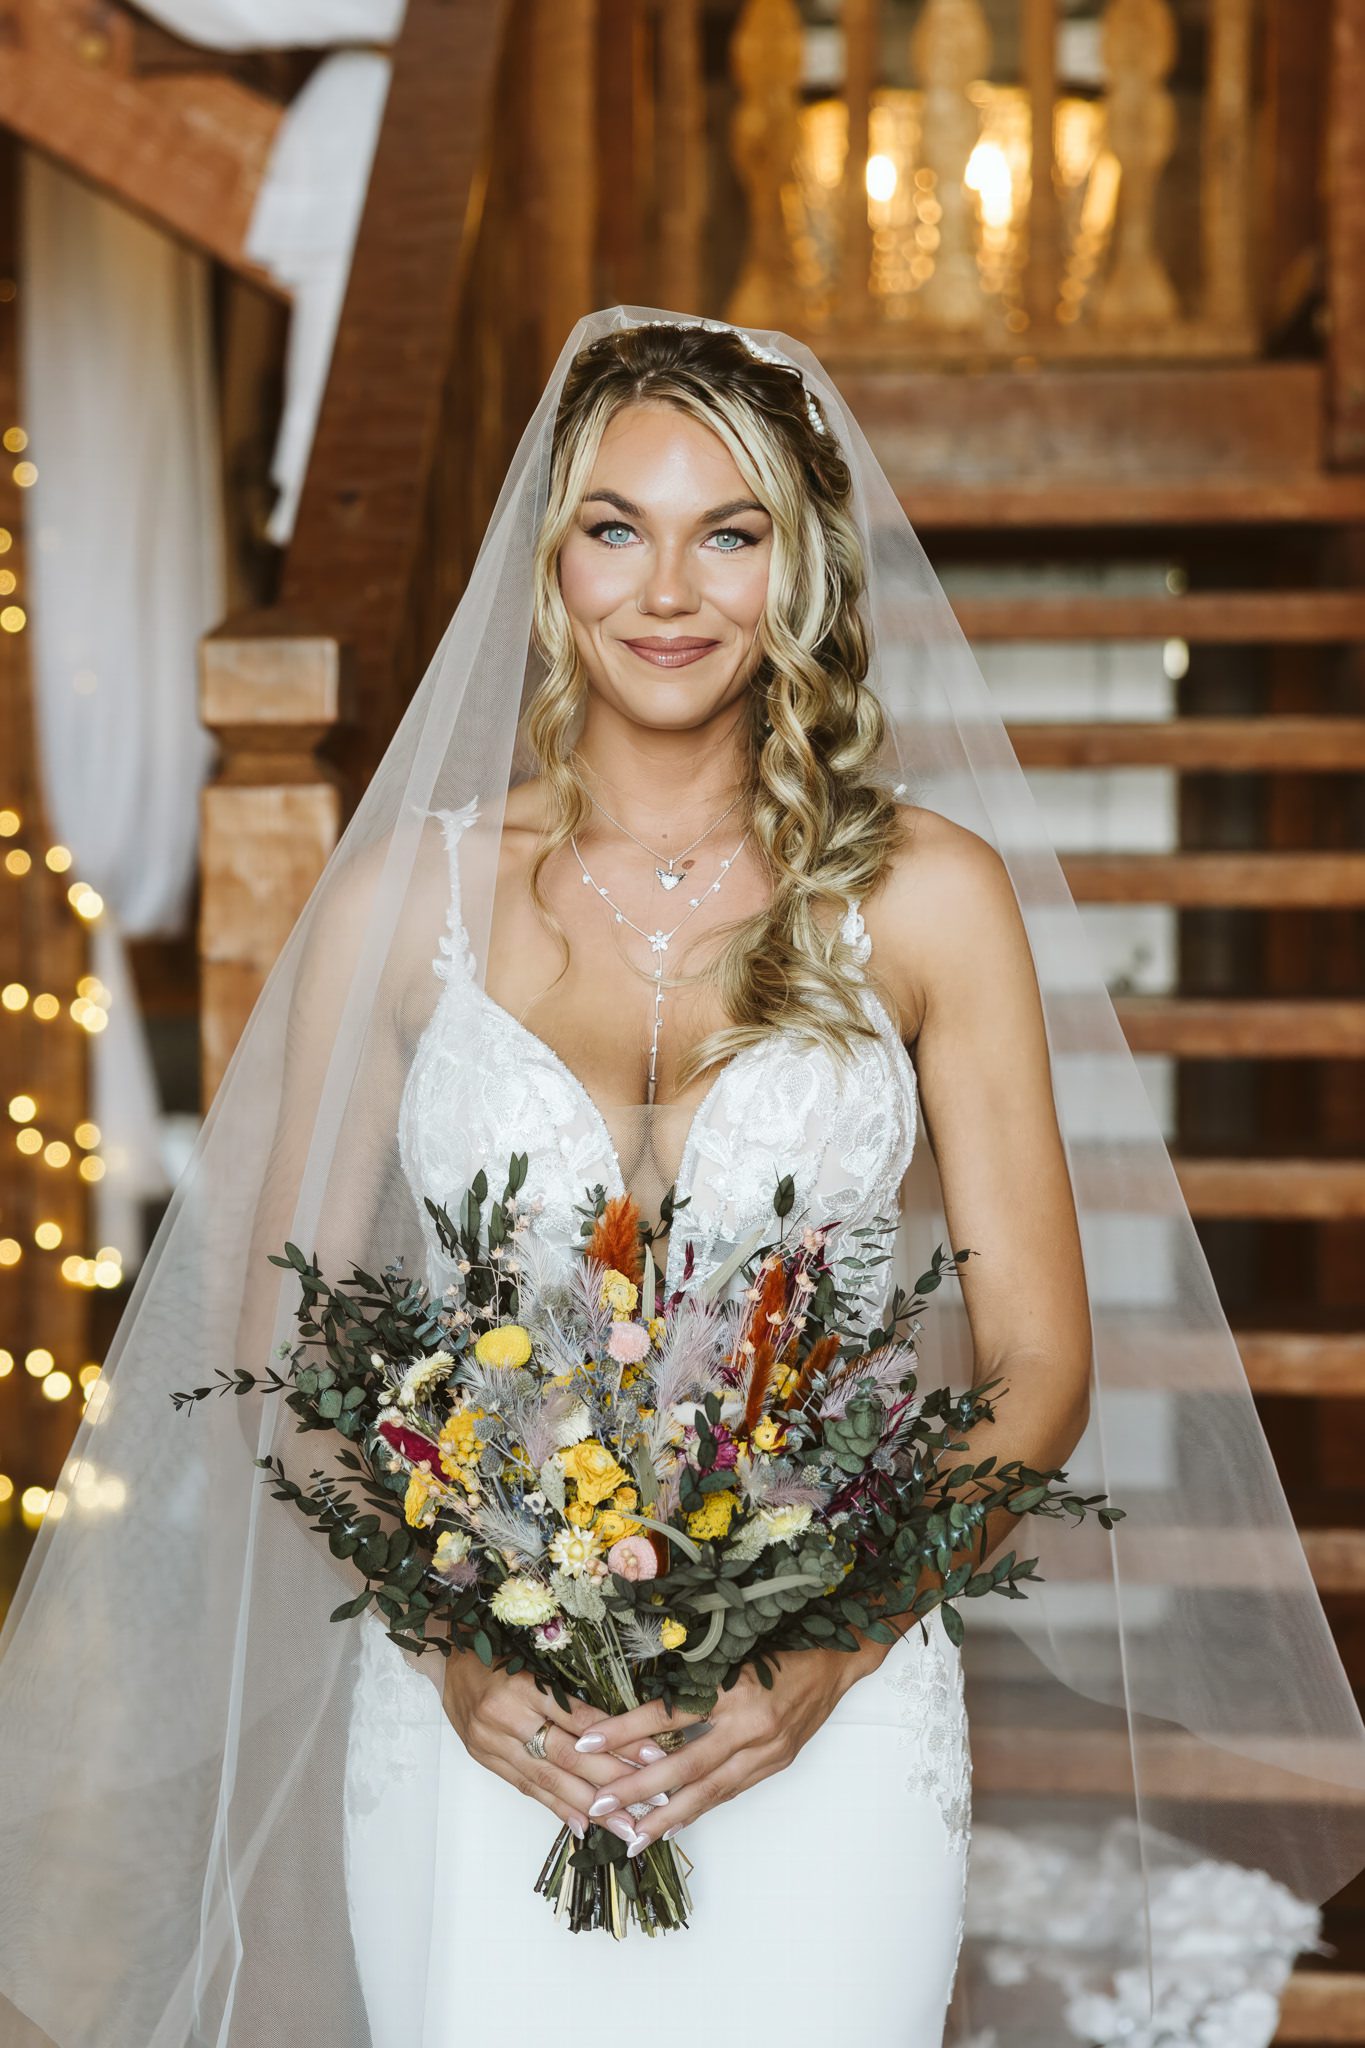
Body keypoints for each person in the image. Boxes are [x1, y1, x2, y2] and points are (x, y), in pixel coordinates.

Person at [2, 309, 1364, 2048]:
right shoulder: (403, 903)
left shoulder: (930, 898)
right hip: (477, 1722)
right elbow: (282, 1339)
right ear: (549, 563)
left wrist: (827, 1659)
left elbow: (1038, 1369)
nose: (669, 589)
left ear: (796, 570)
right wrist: (453, 1649)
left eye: (729, 533)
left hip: (828, 1712)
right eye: (614, 528)